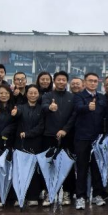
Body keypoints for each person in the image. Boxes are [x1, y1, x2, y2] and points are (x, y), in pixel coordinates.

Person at [69, 73, 108, 210]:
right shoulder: (79, 96)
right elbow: (77, 108)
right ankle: (81, 196)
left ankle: (97, 195)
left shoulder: (102, 98)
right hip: (82, 138)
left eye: (95, 81)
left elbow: (107, 116)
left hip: (97, 139)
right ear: (85, 82)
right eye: (90, 81)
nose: (93, 83)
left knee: (97, 168)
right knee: (82, 168)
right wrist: (87, 107)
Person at [2, 84, 44, 206]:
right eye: (30, 93)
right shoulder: (20, 107)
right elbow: (16, 116)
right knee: (19, 171)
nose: (33, 95)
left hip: (36, 143)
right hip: (20, 144)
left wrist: (28, 134)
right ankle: (19, 196)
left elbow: (41, 126)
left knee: (34, 171)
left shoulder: (41, 109)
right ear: (26, 94)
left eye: (35, 93)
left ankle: (33, 196)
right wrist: (14, 113)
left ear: (38, 95)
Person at [42, 71, 77, 206]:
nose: (61, 82)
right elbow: (44, 107)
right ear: (54, 81)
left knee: (67, 165)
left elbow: (74, 115)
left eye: (63, 80)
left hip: (67, 136)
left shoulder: (71, 97)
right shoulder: (48, 95)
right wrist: (50, 107)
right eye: (58, 79)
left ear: (66, 82)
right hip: (50, 135)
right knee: (49, 165)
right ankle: (50, 192)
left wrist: (65, 130)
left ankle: (67, 192)